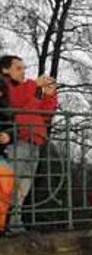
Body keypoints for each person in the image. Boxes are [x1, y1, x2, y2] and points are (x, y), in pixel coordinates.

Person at [1, 55, 58, 233]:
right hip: (19, 140)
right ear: (5, 70)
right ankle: (7, 223)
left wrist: (50, 95)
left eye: (24, 68)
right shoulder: (6, 87)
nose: (23, 72)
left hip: (35, 141)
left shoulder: (27, 90)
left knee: (24, 186)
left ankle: (15, 224)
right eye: (19, 68)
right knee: (11, 184)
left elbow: (45, 114)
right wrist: (35, 84)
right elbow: (15, 101)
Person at [0, 78, 14, 234]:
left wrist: (8, 135)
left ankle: (1, 227)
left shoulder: (4, 110)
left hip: (1, 156)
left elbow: (12, 129)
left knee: (6, 177)